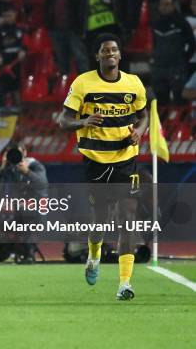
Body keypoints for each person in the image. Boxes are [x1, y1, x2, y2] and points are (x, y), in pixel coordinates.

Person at [58, 33, 148, 300]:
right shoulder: (83, 83)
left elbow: (144, 116)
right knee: (99, 222)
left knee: (127, 220)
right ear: (97, 56)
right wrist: (83, 122)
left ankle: (124, 284)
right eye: (105, 50)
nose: (110, 53)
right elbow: (63, 120)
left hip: (126, 159)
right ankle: (94, 254)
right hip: (96, 161)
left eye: (114, 50)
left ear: (120, 56)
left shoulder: (133, 84)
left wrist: (140, 132)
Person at [0, 140, 48, 263]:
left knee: (23, 210)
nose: (14, 156)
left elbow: (43, 184)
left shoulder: (34, 165)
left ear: (25, 152)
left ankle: (28, 253)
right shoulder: (8, 168)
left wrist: (27, 172)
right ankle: (0, 251)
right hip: (13, 211)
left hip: (35, 210)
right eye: (10, 153)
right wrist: (1, 169)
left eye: (17, 153)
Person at [150, 0, 196, 105]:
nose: (165, 7)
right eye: (162, 4)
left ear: (173, 6)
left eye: (167, 4)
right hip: (159, 67)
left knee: (180, 98)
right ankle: (163, 122)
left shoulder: (181, 22)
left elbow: (192, 43)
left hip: (177, 66)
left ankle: (182, 122)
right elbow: (153, 44)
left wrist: (184, 58)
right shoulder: (155, 24)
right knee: (160, 99)